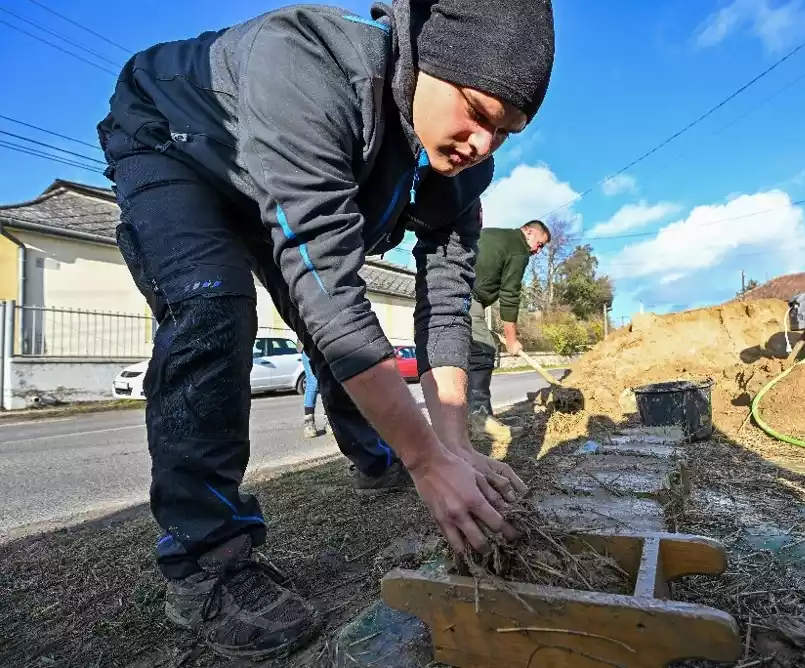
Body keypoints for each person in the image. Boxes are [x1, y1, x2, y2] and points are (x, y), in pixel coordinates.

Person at [96, 0, 554, 659]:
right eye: (477, 113)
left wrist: (451, 447)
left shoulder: (465, 170)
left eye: (505, 132)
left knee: (335, 338)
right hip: (177, 140)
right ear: (420, 58)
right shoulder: (306, 67)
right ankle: (205, 562)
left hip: (268, 174)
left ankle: (377, 461)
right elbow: (330, 288)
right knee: (213, 308)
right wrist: (428, 460)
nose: (484, 144)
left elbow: (447, 300)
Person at [468, 221, 550, 435]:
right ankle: (480, 421)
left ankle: (474, 417)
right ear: (529, 232)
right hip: (464, 294)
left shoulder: (497, 234)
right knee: (483, 350)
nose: (537, 251)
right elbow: (510, 295)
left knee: (465, 355)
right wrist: (511, 340)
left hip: (453, 288)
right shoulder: (518, 248)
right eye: (539, 244)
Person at [298, 342, 321, 438]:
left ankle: (329, 420)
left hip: (323, 342)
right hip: (307, 343)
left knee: (326, 381)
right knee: (313, 382)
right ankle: (309, 423)